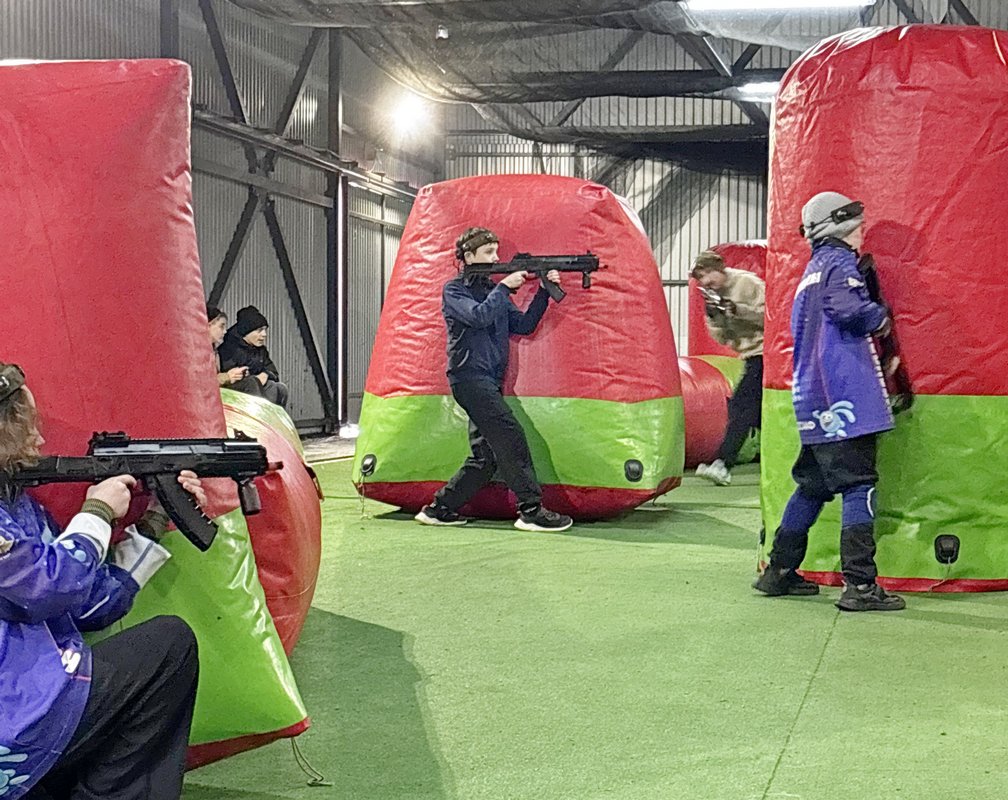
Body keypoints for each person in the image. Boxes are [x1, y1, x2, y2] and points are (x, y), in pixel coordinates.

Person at [0, 363, 206, 799]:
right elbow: (47, 586)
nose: (38, 439)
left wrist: (154, 521)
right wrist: (97, 513)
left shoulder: (20, 506)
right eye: (24, 425)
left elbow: (89, 604)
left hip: (31, 704)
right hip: (16, 720)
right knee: (170, 646)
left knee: (164, 643)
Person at [753, 192, 905, 612]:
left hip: (813, 398)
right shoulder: (840, 264)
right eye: (857, 225)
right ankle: (860, 585)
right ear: (839, 226)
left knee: (812, 487)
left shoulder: (810, 272)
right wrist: (879, 316)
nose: (861, 232)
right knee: (859, 486)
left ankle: (779, 570)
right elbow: (847, 309)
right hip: (847, 398)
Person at [415, 227, 573, 532]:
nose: (495, 258)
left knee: (485, 457)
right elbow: (478, 316)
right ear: (468, 256)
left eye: (496, 252)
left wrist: (544, 291)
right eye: (488, 252)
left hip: (486, 382)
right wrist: (503, 288)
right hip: (469, 379)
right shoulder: (454, 290)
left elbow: (523, 325)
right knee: (511, 437)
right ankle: (530, 510)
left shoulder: (491, 290)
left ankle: (439, 509)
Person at [691, 250, 765, 486]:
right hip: (749, 355)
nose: (706, 281)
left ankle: (723, 463)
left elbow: (773, 316)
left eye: (708, 274)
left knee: (741, 407)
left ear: (720, 268)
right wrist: (716, 318)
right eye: (701, 278)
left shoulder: (747, 283)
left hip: (766, 353)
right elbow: (723, 339)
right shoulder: (712, 297)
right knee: (755, 415)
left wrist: (738, 310)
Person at [217, 305, 289, 408]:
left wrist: (265, 374)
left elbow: (273, 371)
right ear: (247, 331)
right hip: (232, 393)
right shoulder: (228, 348)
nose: (264, 334)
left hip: (255, 389)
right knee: (251, 382)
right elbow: (229, 376)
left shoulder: (260, 350)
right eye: (259, 330)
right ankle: (259, 415)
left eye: (265, 330)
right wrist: (253, 379)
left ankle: (273, 417)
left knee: (280, 388)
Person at [207, 304, 251, 390]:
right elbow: (201, 382)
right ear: (208, 326)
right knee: (250, 383)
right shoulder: (195, 352)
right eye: (221, 326)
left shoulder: (214, 351)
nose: (225, 331)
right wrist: (228, 376)